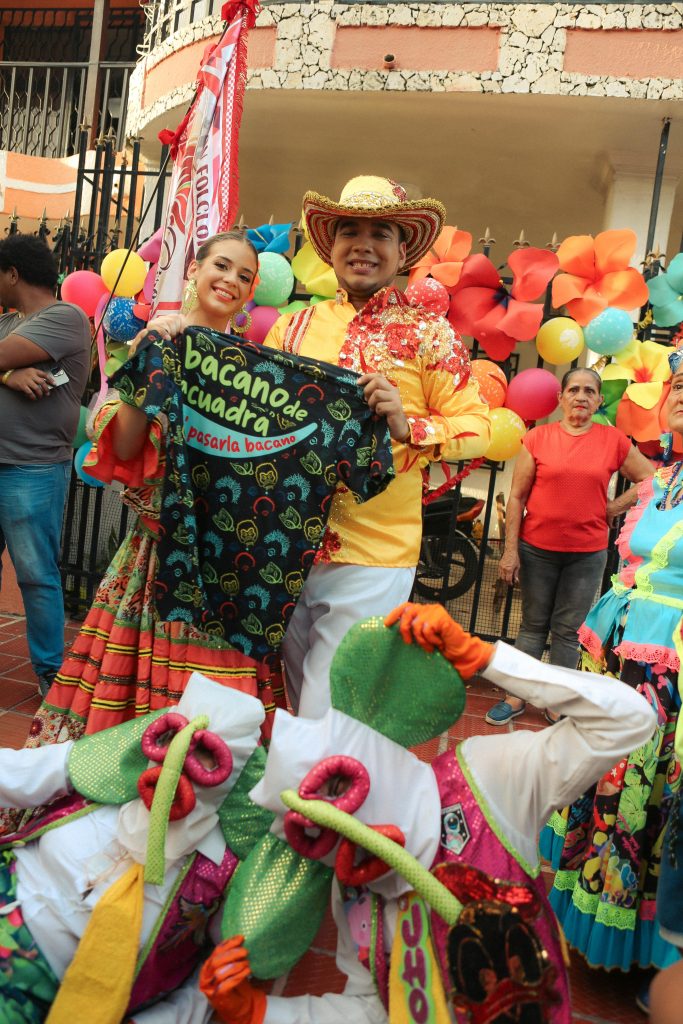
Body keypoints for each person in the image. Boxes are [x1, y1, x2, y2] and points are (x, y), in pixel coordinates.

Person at [197, 602, 656, 1024]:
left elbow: (629, 720)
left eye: (339, 790)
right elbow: (373, 1007)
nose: (348, 827)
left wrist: (489, 659)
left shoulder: (486, 782)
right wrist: (259, 1012)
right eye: (320, 830)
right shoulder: (356, 897)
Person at [25, 231, 277, 749]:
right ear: (195, 271)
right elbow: (124, 438)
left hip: (228, 559)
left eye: (244, 276)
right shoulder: (157, 344)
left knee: (219, 712)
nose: (231, 281)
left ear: (251, 292)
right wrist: (154, 360)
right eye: (222, 266)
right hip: (159, 554)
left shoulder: (257, 370)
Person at [265, 175, 491, 718]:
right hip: (285, 543)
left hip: (374, 553)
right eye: (350, 229)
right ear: (332, 244)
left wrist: (408, 423)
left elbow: (478, 427)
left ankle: (320, 797)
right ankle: (317, 797)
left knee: (327, 702)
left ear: (402, 249)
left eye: (381, 232)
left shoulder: (429, 335)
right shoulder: (291, 330)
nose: (363, 244)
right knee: (293, 697)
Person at [0, 672, 269, 1023]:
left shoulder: (221, 874)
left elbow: (213, 978)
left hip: (41, 985)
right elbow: (19, 772)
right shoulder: (109, 778)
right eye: (178, 739)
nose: (180, 761)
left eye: (206, 754)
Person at [541, 352, 683, 981]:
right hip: (621, 660)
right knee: (606, 783)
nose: (680, 394)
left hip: (666, 674)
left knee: (644, 796)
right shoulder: (662, 478)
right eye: (677, 384)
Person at [486, 366, 653, 726]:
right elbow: (516, 497)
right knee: (532, 626)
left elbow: (650, 477)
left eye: (589, 391)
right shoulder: (537, 438)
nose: (581, 396)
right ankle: (516, 697)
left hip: (587, 554)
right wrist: (510, 551)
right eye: (573, 390)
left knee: (567, 630)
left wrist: (612, 507)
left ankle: (557, 701)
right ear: (560, 398)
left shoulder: (614, 440)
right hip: (536, 550)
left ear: (598, 400)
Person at [0, 234, 91, 697]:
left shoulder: (65, 317)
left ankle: (51, 675)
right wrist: (9, 375)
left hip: (32, 469)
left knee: (36, 575)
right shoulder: (9, 322)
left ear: (12, 273)